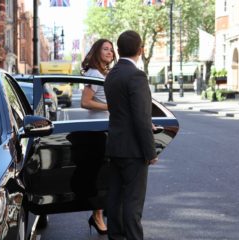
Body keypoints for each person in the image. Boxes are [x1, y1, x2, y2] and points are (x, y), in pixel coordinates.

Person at [104, 30, 158, 240]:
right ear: (141, 50)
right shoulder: (136, 75)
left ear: (117, 50)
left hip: (115, 145)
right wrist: (150, 152)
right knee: (133, 203)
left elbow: (120, 110)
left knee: (115, 199)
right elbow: (141, 118)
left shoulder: (112, 74)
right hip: (133, 150)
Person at [80, 38, 116, 235]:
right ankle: (97, 215)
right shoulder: (94, 73)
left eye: (111, 49)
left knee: (107, 172)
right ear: (97, 52)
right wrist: (111, 107)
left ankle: (101, 212)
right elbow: (85, 102)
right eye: (105, 49)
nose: (110, 52)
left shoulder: (106, 73)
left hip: (107, 127)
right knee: (102, 173)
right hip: (97, 129)